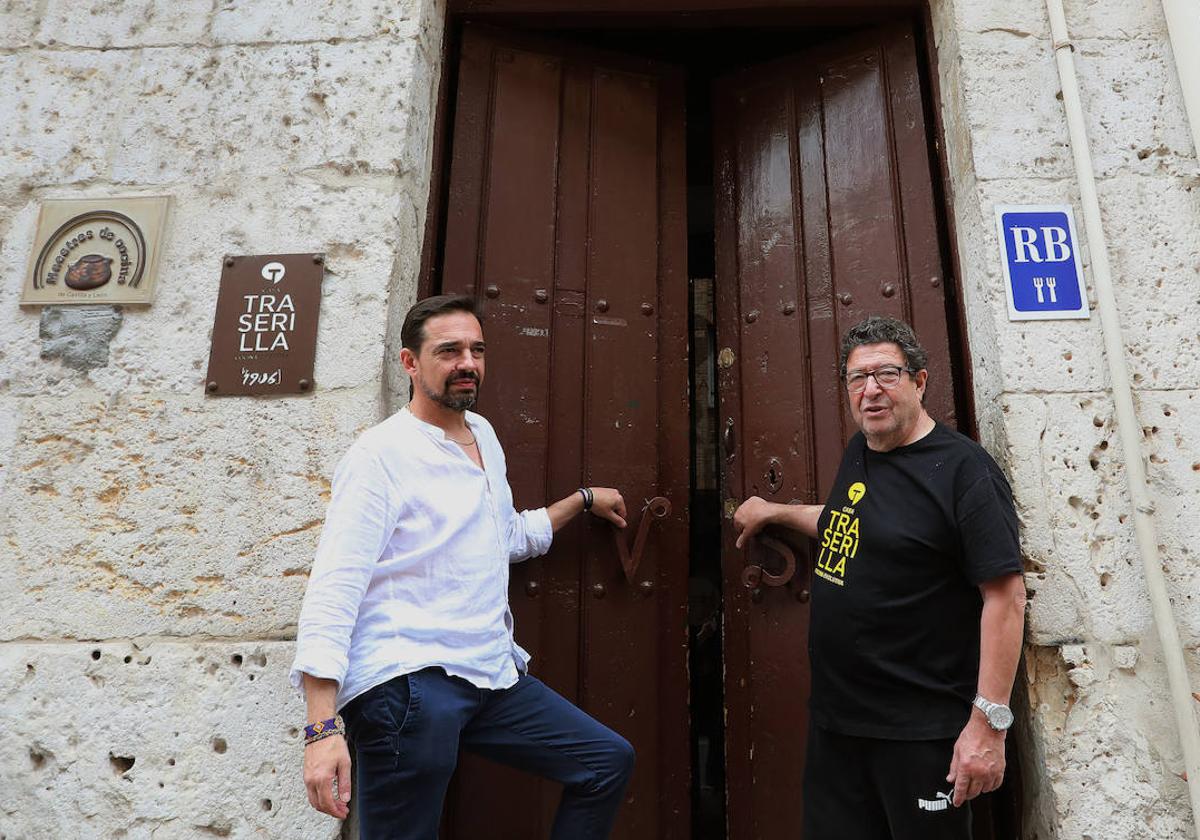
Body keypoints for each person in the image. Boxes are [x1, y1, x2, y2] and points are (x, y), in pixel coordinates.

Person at [289, 294, 635, 840]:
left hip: (489, 675)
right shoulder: (380, 454)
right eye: (448, 351)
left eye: (476, 350)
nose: (467, 363)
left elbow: (502, 537)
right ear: (410, 362)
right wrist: (321, 726)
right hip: (407, 683)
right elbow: (335, 583)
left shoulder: (483, 436)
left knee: (605, 761)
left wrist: (581, 500)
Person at [734, 315, 1026, 840]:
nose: (870, 390)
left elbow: (1005, 597)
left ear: (919, 381)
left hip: (919, 734)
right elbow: (848, 523)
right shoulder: (862, 452)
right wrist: (776, 511)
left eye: (886, 374)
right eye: (856, 378)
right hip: (838, 725)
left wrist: (988, 725)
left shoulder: (964, 472)